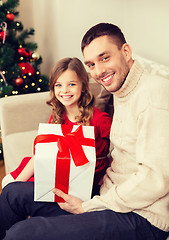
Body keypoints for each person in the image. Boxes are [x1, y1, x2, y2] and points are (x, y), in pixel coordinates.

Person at [0, 23, 169, 240]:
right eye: (91, 64)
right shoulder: (122, 89)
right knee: (13, 193)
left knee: (22, 234)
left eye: (105, 58)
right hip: (108, 197)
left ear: (125, 52)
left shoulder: (153, 95)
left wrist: (90, 206)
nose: (98, 72)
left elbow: (155, 179)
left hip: (141, 216)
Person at [1, 57, 112, 195]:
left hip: (82, 178)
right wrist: (17, 182)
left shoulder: (99, 119)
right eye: (58, 85)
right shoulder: (58, 115)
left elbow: (121, 148)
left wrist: (107, 174)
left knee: (17, 190)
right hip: (57, 167)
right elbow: (43, 152)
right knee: (9, 182)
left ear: (83, 86)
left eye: (71, 84)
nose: (64, 90)